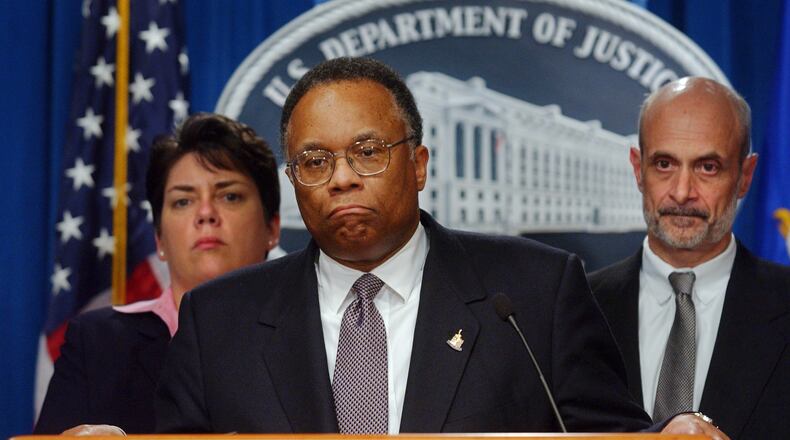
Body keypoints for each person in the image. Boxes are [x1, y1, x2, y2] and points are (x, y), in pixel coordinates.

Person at [156, 58, 726, 437]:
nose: (342, 178)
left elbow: (615, 439)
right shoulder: (219, 321)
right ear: (293, 179)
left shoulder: (533, 296)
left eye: (368, 152)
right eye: (315, 161)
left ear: (419, 165)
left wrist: (670, 433)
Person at [34, 113, 281, 434]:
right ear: (160, 240)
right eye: (183, 201)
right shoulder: (97, 344)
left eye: (229, 196)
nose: (206, 213)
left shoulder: (311, 336)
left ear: (272, 228)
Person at [589, 77, 790, 439]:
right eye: (664, 164)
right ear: (638, 168)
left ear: (745, 176)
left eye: (707, 167)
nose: (682, 193)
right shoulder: (577, 307)